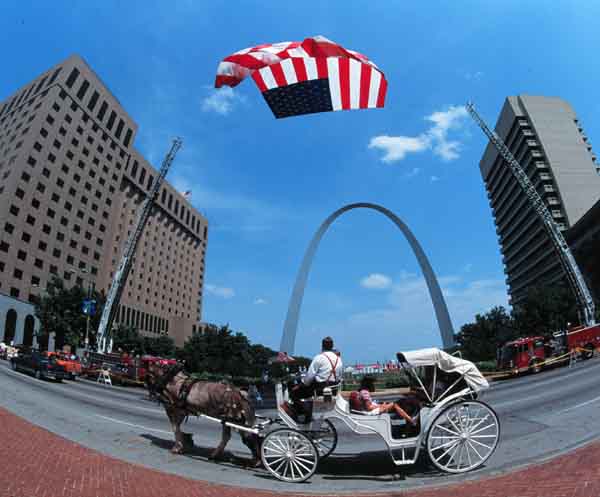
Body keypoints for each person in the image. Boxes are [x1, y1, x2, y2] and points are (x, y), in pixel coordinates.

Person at [282, 336, 342, 422]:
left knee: (294, 393)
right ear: (332, 346)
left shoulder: (319, 357)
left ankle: (305, 411)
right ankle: (307, 413)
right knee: (304, 391)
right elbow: (339, 376)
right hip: (333, 389)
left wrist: (300, 385)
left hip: (319, 389)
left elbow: (309, 377)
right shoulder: (338, 359)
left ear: (322, 346)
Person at [351, 376, 416, 426]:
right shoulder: (365, 392)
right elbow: (369, 408)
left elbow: (369, 405)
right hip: (371, 412)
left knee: (394, 404)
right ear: (369, 384)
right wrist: (382, 406)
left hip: (370, 410)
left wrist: (382, 405)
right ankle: (411, 421)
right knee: (395, 405)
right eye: (372, 383)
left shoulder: (363, 392)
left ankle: (407, 421)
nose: (374, 385)